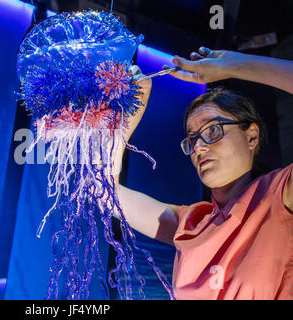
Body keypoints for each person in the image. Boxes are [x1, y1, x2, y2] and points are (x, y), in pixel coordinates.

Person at [114, 47, 293, 300]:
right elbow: (103, 192)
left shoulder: (279, 196)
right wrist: (126, 119)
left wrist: (234, 65)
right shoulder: (190, 223)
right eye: (193, 138)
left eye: (212, 131)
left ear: (251, 136)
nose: (198, 147)